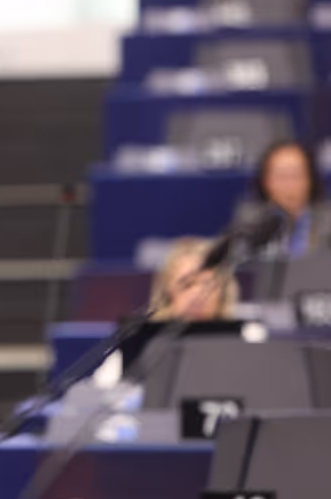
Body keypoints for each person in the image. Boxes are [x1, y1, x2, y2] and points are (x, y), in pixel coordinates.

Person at [93, 237, 241, 385]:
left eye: (207, 285)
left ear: (223, 292)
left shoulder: (248, 338)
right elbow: (99, 397)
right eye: (187, 284)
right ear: (167, 291)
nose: (197, 294)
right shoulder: (134, 344)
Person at [231, 140, 331, 257]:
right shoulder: (249, 221)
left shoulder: (328, 220)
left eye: (296, 175)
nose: (289, 184)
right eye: (282, 176)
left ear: (310, 179)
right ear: (265, 181)